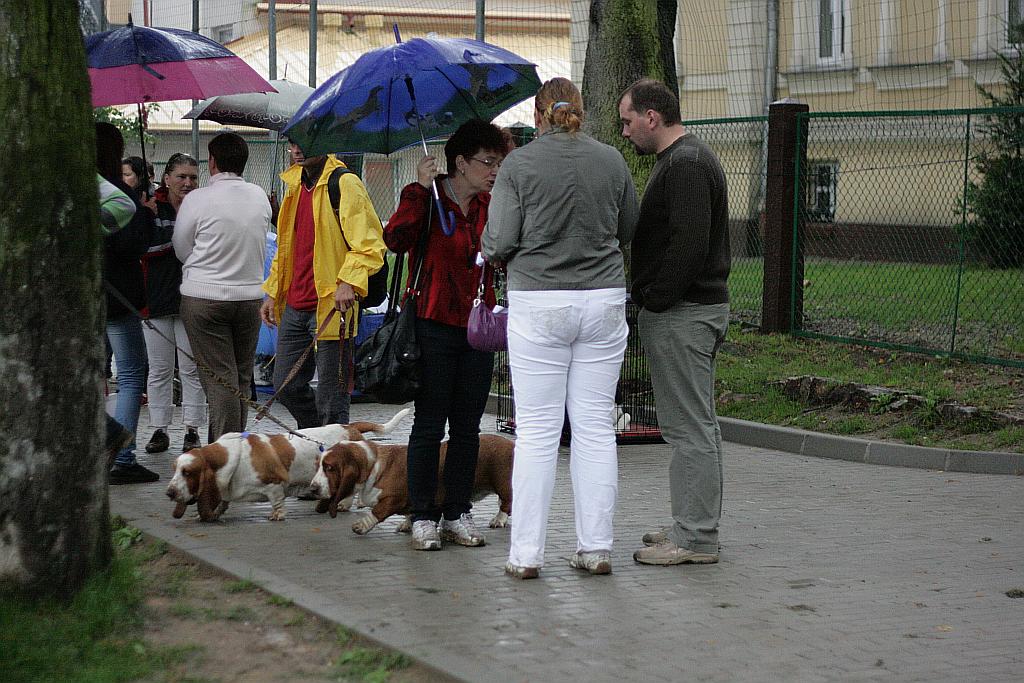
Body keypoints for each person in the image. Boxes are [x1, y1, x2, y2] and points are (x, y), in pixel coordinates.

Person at [483, 77, 639, 578]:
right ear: (581, 112)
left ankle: (526, 555)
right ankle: (596, 548)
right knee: (595, 427)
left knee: (537, 433)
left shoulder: (518, 165)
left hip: (539, 301)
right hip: (603, 300)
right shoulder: (612, 160)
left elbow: (499, 241)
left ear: (538, 115)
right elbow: (628, 228)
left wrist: (491, 245)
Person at [618, 78, 731, 566]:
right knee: (696, 426)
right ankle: (691, 521)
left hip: (684, 314)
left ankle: (695, 538)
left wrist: (655, 299)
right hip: (687, 311)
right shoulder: (684, 159)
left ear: (652, 117)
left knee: (689, 430)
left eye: (628, 122)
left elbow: (689, 244)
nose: (625, 132)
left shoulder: (685, 164)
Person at [384, 119, 507, 551]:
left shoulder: (491, 205)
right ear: (461, 162)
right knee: (430, 424)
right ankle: (422, 514)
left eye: (498, 162)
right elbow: (395, 239)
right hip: (432, 324)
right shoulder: (428, 196)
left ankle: (457, 511)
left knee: (468, 428)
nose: (494, 170)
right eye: (487, 162)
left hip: (478, 329)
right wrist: (419, 189)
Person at [260, 142, 385, 429]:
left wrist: (348, 282)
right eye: (293, 143)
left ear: (325, 142)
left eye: (305, 142)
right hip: (295, 304)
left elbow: (369, 245)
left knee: (332, 397)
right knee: (285, 385)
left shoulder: (344, 183)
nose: (297, 150)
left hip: (332, 304)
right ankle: (318, 436)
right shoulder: (294, 185)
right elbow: (286, 248)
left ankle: (333, 448)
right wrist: (273, 292)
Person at [173, 132, 272, 442]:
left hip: (204, 297)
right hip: (250, 298)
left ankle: (223, 452)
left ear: (212, 162)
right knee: (240, 377)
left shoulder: (197, 199)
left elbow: (181, 247)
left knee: (219, 380)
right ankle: (236, 447)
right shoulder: (259, 196)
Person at [97, 122, 160, 485]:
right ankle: (123, 454)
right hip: (119, 297)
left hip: (88, 297)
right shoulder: (120, 196)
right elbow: (133, 244)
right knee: (132, 372)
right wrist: (146, 212)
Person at [139, 153, 206, 454]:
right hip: (155, 298)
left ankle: (192, 429)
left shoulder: (202, 206)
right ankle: (159, 428)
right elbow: (146, 246)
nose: (187, 183)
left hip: (192, 298)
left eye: (193, 177)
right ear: (167, 178)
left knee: (191, 368)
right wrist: (180, 237)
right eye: (181, 176)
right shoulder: (152, 206)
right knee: (159, 369)